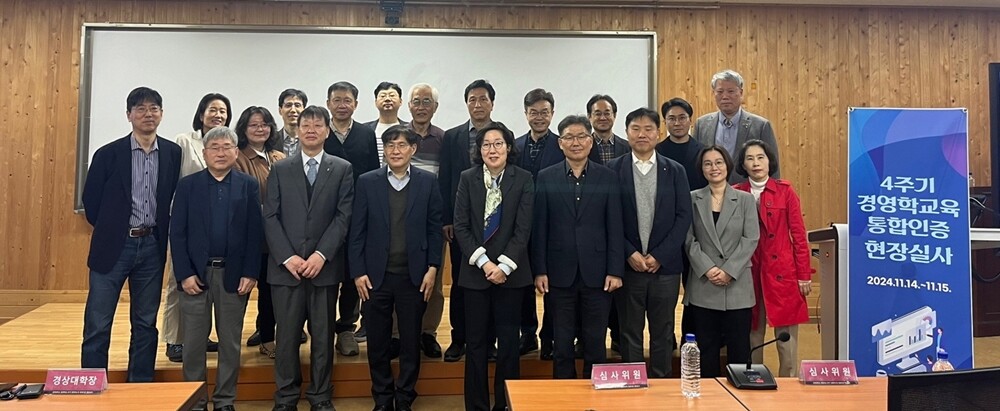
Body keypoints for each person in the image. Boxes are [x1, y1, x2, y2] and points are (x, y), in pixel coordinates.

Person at [80, 86, 181, 382]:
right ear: (129, 115)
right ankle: (93, 383)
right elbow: (91, 202)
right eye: (140, 109)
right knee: (98, 322)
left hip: (152, 246)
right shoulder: (108, 154)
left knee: (145, 323)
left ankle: (140, 384)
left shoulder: (172, 153)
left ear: (161, 114)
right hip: (114, 245)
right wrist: (113, 229)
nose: (148, 114)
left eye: (154, 108)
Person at [264, 105, 354, 411]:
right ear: (297, 131)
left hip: (323, 269)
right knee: (287, 338)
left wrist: (321, 254)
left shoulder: (342, 168)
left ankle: (320, 396)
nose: (311, 130)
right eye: (306, 125)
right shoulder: (280, 168)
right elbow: (270, 216)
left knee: (323, 337)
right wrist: (287, 257)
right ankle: (286, 397)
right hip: (285, 270)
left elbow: (343, 217)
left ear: (327, 131)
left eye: (318, 125)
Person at [350, 125, 443, 411]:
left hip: (414, 276)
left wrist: (433, 267)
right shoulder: (367, 182)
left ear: (413, 149)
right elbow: (357, 231)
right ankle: (382, 397)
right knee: (377, 342)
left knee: (410, 341)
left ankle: (404, 397)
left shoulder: (428, 182)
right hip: (375, 277)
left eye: (402, 145)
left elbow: (434, 229)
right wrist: (358, 272)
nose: (396, 150)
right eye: (390, 145)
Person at [170, 126, 262, 411]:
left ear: (236, 152)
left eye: (227, 147)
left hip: (234, 276)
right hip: (195, 276)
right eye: (215, 148)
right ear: (204, 152)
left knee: (230, 343)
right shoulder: (188, 185)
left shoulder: (248, 185)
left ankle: (225, 400)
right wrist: (185, 274)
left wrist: (251, 272)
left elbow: (255, 233)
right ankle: (196, 400)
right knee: (194, 344)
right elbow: (177, 233)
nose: (221, 153)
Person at [532, 115, 624, 379]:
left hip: (598, 273)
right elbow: (540, 228)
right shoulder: (546, 177)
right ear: (560, 143)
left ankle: (594, 396)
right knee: (562, 345)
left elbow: (615, 226)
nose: (576, 142)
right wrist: (540, 270)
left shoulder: (607, 177)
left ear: (590, 141)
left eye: (582, 136)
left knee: (595, 343)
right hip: (558, 273)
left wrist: (615, 270)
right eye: (569, 137)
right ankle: (563, 397)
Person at [453, 122, 534, 411]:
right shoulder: (467, 178)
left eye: (498, 143)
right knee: (475, 344)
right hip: (476, 273)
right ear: (479, 150)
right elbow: (461, 226)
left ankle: (505, 404)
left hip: (511, 275)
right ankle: (476, 405)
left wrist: (503, 266)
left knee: (509, 345)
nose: (492, 149)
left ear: (508, 147)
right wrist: (485, 263)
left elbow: (523, 229)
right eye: (486, 144)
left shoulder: (523, 178)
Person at [606, 108, 692, 378]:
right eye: (635, 129)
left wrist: (660, 255)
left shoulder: (675, 170)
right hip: (628, 266)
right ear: (626, 132)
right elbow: (607, 218)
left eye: (648, 129)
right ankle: (633, 382)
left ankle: (661, 384)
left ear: (658, 133)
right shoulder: (612, 170)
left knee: (663, 331)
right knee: (629, 331)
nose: (642, 134)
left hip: (665, 269)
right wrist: (629, 252)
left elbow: (683, 216)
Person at [733, 139, 812, 377]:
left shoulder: (785, 191)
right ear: (743, 165)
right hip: (749, 271)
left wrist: (804, 275)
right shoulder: (736, 193)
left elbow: (799, 236)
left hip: (782, 273)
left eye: (761, 157)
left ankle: (788, 384)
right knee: (752, 333)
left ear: (770, 161)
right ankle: (753, 380)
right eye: (750, 159)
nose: (756, 163)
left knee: (786, 338)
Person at [163, 92, 232, 362]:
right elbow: (172, 181)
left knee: (206, 284)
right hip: (187, 223)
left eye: (223, 111)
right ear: (201, 113)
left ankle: (199, 336)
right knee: (178, 281)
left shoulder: (228, 143)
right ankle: (175, 339)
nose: (218, 115)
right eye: (212, 109)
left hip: (216, 224)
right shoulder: (184, 141)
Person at [684, 145, 759, 378]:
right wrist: (708, 269)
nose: (713, 168)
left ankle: (740, 394)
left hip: (737, 284)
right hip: (704, 284)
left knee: (739, 349)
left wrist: (728, 270)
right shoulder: (692, 198)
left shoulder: (745, 199)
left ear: (727, 165)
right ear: (701, 169)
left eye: (718, 162)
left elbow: (751, 238)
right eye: (707, 164)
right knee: (706, 350)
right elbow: (688, 239)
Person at [439, 79, 497, 362]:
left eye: (483, 99)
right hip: (461, 223)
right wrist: (447, 218)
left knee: (492, 282)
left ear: (492, 103)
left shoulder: (501, 135)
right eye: (472, 99)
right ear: (466, 104)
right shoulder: (453, 136)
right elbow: (446, 177)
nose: (478, 104)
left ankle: (489, 341)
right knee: (461, 282)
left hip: (494, 222)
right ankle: (459, 338)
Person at [324, 81, 379, 356]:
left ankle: (346, 329)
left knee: (351, 272)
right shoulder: (320, 131)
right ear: (328, 104)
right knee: (324, 272)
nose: (342, 105)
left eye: (347, 100)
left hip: (358, 214)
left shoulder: (366, 134)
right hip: (324, 216)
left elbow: (374, 175)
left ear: (356, 104)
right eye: (337, 100)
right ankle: (322, 328)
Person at [512, 88, 565, 360]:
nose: (539, 117)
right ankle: (528, 333)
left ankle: (549, 336)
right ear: (526, 114)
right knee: (522, 284)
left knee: (552, 283)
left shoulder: (562, 145)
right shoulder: (515, 145)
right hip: (519, 225)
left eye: (545, 112)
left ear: (552, 114)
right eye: (534, 112)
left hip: (553, 224)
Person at [233, 106, 287, 358]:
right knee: (239, 294)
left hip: (275, 241)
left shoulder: (280, 157)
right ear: (243, 129)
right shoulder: (237, 158)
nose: (260, 129)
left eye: (264, 124)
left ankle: (267, 338)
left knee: (269, 293)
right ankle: (231, 344)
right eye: (253, 125)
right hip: (247, 240)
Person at [406, 82, 446, 358]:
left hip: (433, 219)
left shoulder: (444, 139)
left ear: (435, 107)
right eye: (417, 102)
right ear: (409, 106)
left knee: (435, 279)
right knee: (399, 279)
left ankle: (428, 332)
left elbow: (449, 178)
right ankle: (398, 334)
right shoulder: (398, 136)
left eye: (427, 102)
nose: (421, 107)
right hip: (399, 217)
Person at [692, 69, 780, 182]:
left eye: (731, 91)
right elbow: (696, 162)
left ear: (741, 92)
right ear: (713, 93)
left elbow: (773, 166)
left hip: (749, 189)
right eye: (720, 91)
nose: (725, 96)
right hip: (710, 188)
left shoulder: (760, 126)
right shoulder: (702, 124)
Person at [657, 97, 708, 191]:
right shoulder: (657, 151)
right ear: (664, 122)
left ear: (690, 120)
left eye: (682, 118)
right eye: (671, 119)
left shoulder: (703, 151)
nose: (677, 123)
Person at [364, 81, 409, 165]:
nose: (387, 99)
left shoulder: (409, 129)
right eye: (382, 96)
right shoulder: (364, 130)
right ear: (376, 102)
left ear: (400, 101)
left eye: (392, 95)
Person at [586, 94, 630, 165]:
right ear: (589, 116)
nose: (603, 118)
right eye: (598, 114)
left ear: (614, 115)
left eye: (607, 113)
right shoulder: (583, 147)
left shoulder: (628, 147)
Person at [277, 88, 307, 157]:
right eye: (288, 105)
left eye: (297, 105)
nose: (293, 110)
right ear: (280, 110)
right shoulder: (271, 140)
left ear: (304, 111)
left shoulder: (312, 139)